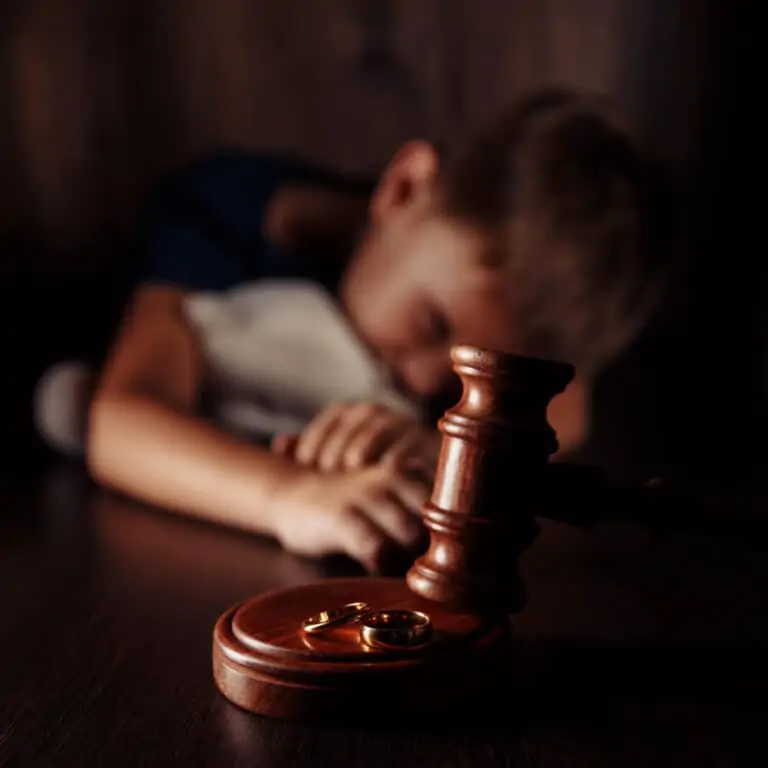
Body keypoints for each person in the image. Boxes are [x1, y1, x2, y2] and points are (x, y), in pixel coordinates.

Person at [80, 88, 668, 572]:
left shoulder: (444, 274)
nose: (419, 380)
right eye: (433, 323)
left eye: (460, 373)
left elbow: (569, 410)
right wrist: (289, 496)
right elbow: (121, 422)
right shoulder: (221, 220)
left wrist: (444, 450)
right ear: (404, 187)